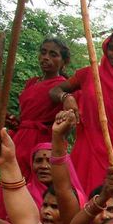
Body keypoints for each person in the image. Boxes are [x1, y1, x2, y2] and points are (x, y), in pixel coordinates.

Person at [49, 29, 113, 190]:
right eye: (112, 48)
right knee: (78, 196)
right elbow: (54, 91)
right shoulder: (89, 74)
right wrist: (67, 97)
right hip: (86, 147)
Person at [11, 39, 69, 178]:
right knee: (13, 177)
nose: (46, 57)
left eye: (53, 54)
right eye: (43, 52)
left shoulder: (64, 86)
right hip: (20, 139)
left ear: (63, 62)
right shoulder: (31, 82)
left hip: (43, 140)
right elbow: (26, 114)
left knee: (36, 182)